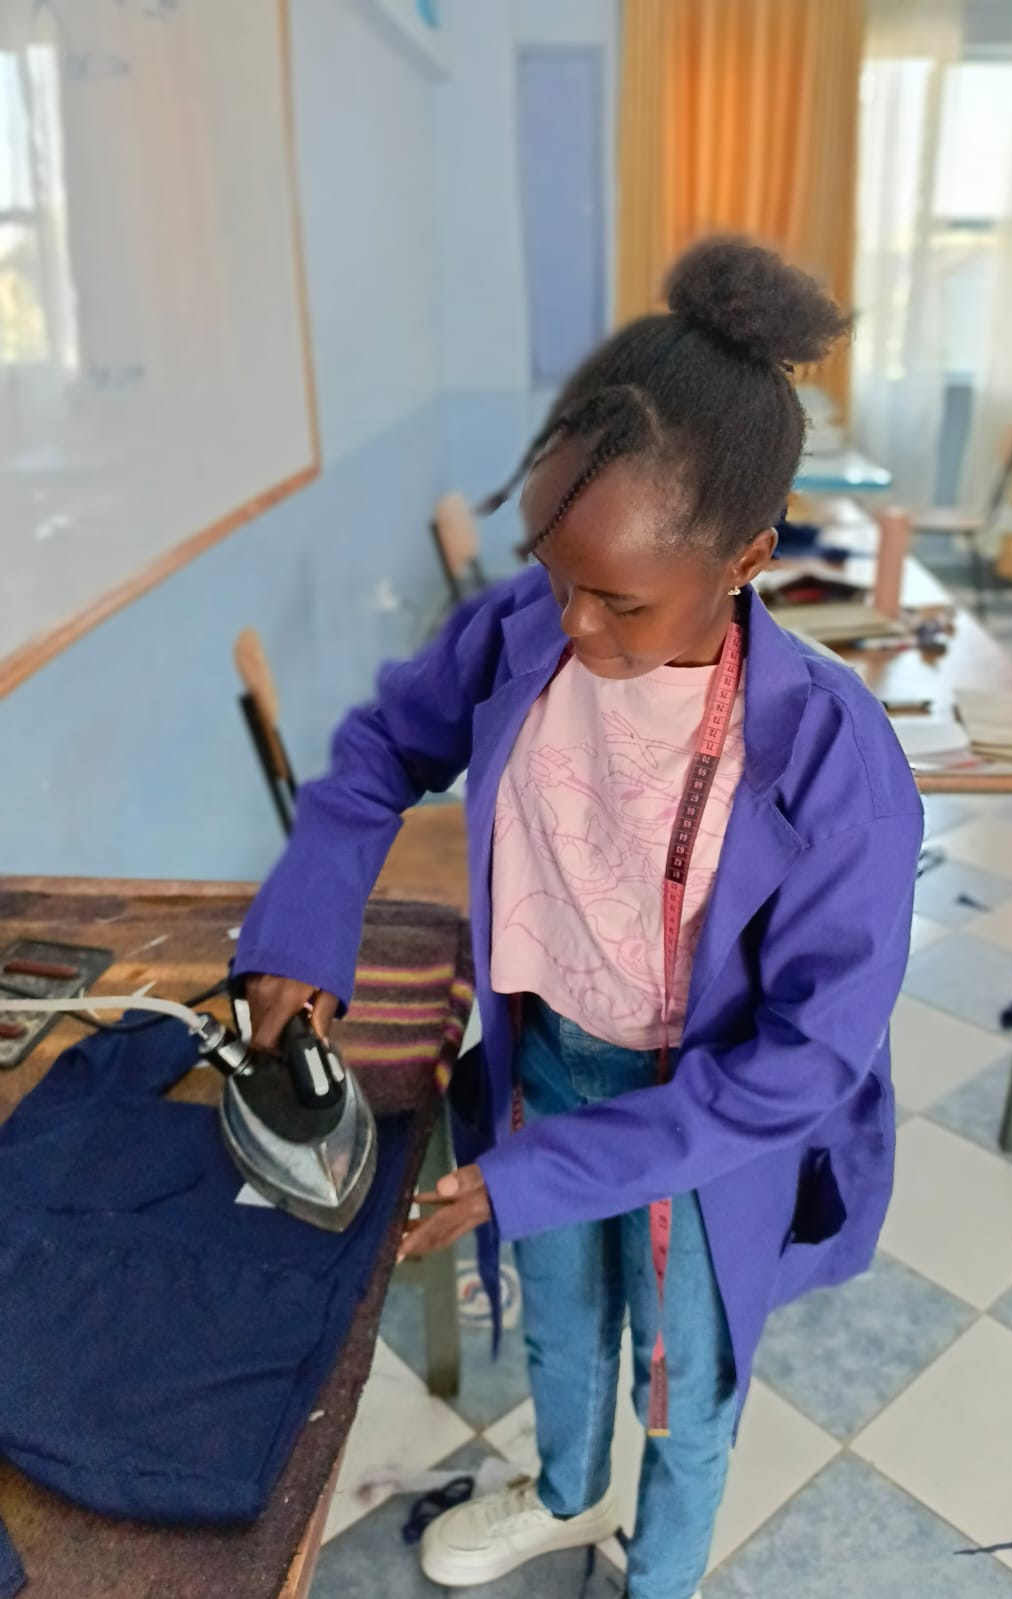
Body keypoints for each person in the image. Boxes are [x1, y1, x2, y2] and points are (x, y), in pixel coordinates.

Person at [236, 237, 923, 1599]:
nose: (577, 624)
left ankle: (660, 1575)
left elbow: (806, 1060)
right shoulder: (525, 632)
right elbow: (376, 755)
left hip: (706, 1123)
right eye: (557, 574)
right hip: (546, 1064)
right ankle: (562, 1493)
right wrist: (303, 931)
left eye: (621, 601)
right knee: (557, 1326)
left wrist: (531, 1176)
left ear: (747, 559)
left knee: (682, 1381)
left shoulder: (831, 761)